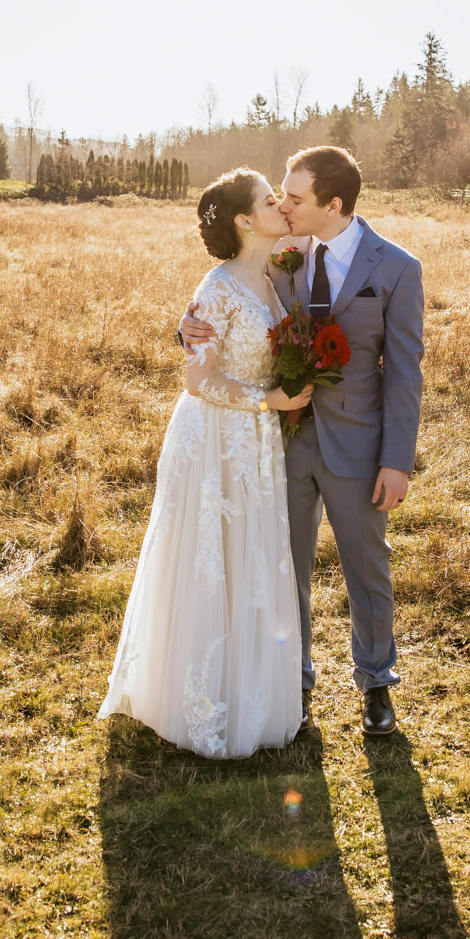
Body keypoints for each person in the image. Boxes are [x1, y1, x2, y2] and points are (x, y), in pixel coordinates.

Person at [179, 146, 425, 737]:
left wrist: (397, 461)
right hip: (279, 442)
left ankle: (375, 684)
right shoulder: (282, 257)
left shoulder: (395, 268)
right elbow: (232, 306)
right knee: (282, 567)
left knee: (366, 568)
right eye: (280, 196)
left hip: (360, 449)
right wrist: (185, 328)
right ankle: (296, 678)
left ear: (332, 205)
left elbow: (405, 371)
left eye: (295, 198)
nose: (284, 206)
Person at [99, 170, 312, 759]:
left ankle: (250, 688)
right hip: (214, 435)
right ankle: (193, 696)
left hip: (256, 439)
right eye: (271, 200)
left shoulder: (278, 274)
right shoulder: (218, 286)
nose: (281, 206)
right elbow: (197, 378)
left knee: (248, 555)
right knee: (206, 556)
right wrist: (268, 400)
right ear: (244, 220)